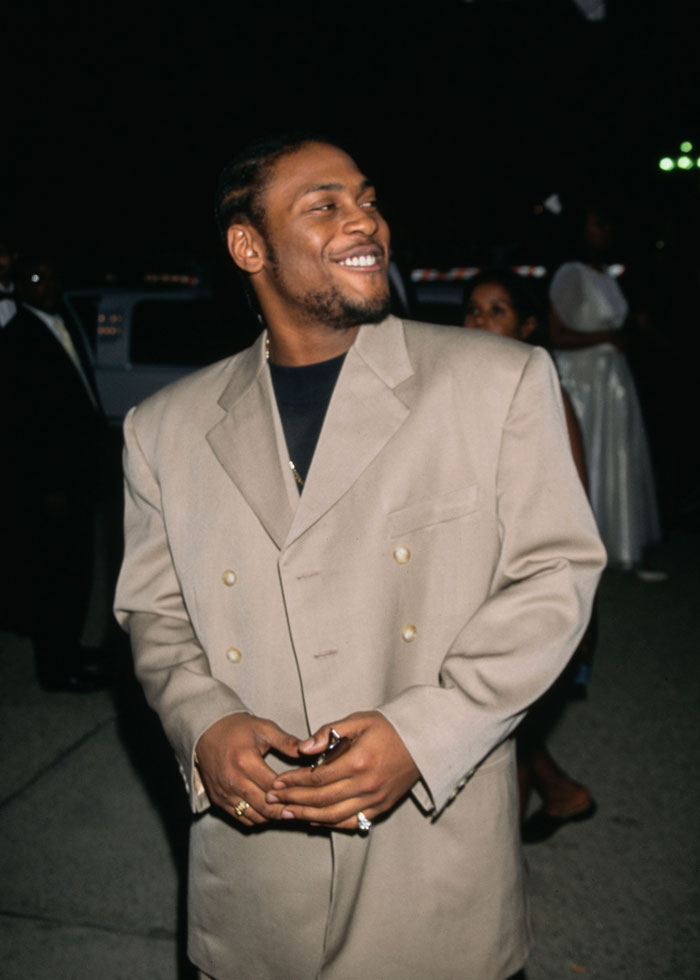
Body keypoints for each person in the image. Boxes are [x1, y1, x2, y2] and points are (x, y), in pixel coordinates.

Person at [114, 134, 605, 980]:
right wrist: (204, 725)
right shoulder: (162, 429)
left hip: (429, 854)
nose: (364, 218)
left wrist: (426, 733)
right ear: (249, 246)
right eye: (326, 203)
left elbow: (553, 577)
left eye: (368, 198)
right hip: (255, 866)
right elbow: (155, 613)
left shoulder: (497, 382)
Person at [464, 269, 597, 842]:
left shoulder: (544, 396)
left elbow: (569, 511)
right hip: (473, 579)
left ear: (527, 326)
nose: (478, 322)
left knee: (506, 730)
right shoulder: (462, 387)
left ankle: (500, 876)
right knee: (497, 720)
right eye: (472, 310)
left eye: (496, 311)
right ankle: (566, 793)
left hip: (525, 585)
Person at [0, 257, 108, 690]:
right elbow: (23, 424)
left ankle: (71, 646)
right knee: (54, 575)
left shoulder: (61, 320)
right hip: (53, 485)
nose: (43, 286)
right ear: (18, 289)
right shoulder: (18, 338)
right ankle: (56, 667)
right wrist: (49, 486)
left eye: (47, 277)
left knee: (79, 569)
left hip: (78, 472)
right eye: (32, 281)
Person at [549, 206, 662, 573]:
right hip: (584, 380)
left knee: (617, 457)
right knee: (589, 456)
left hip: (612, 378)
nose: (606, 230)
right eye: (598, 222)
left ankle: (620, 541)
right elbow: (556, 334)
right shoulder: (570, 273)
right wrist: (607, 337)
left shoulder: (607, 274)